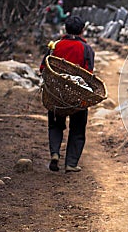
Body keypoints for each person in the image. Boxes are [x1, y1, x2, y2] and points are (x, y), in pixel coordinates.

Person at [40, 16, 95, 173]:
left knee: (55, 125)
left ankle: (55, 153)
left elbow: (44, 67)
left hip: (56, 95)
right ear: (82, 30)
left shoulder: (55, 45)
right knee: (77, 129)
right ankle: (71, 163)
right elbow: (88, 73)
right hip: (77, 96)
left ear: (65, 29)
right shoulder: (86, 49)